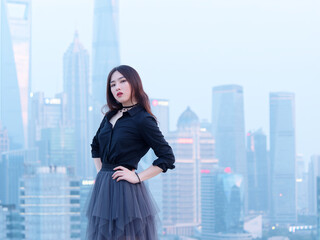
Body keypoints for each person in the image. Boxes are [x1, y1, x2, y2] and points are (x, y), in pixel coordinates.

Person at [85, 65, 175, 240]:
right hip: (103, 188)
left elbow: (167, 157)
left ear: (135, 83)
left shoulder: (143, 119)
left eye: (122, 81)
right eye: (112, 84)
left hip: (125, 191)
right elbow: (95, 146)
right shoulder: (109, 116)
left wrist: (138, 177)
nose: (117, 87)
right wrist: (101, 173)